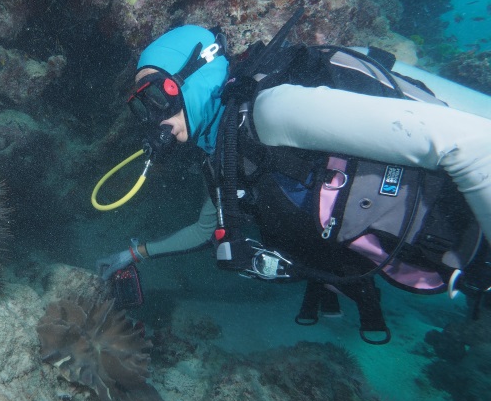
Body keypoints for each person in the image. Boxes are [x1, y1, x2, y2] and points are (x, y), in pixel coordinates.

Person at [96, 17, 491, 343]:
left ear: (195, 75)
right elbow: (204, 228)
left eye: (155, 98)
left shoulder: (272, 111)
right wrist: (133, 255)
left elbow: (469, 145)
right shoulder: (223, 148)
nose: (153, 119)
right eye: (140, 109)